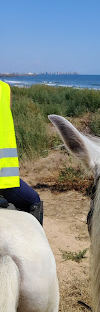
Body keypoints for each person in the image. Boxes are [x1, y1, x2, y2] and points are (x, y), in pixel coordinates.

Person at [0, 80, 43, 225]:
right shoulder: (4, 88)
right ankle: (36, 246)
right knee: (34, 201)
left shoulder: (5, 88)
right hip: (4, 179)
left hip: (6, 176)